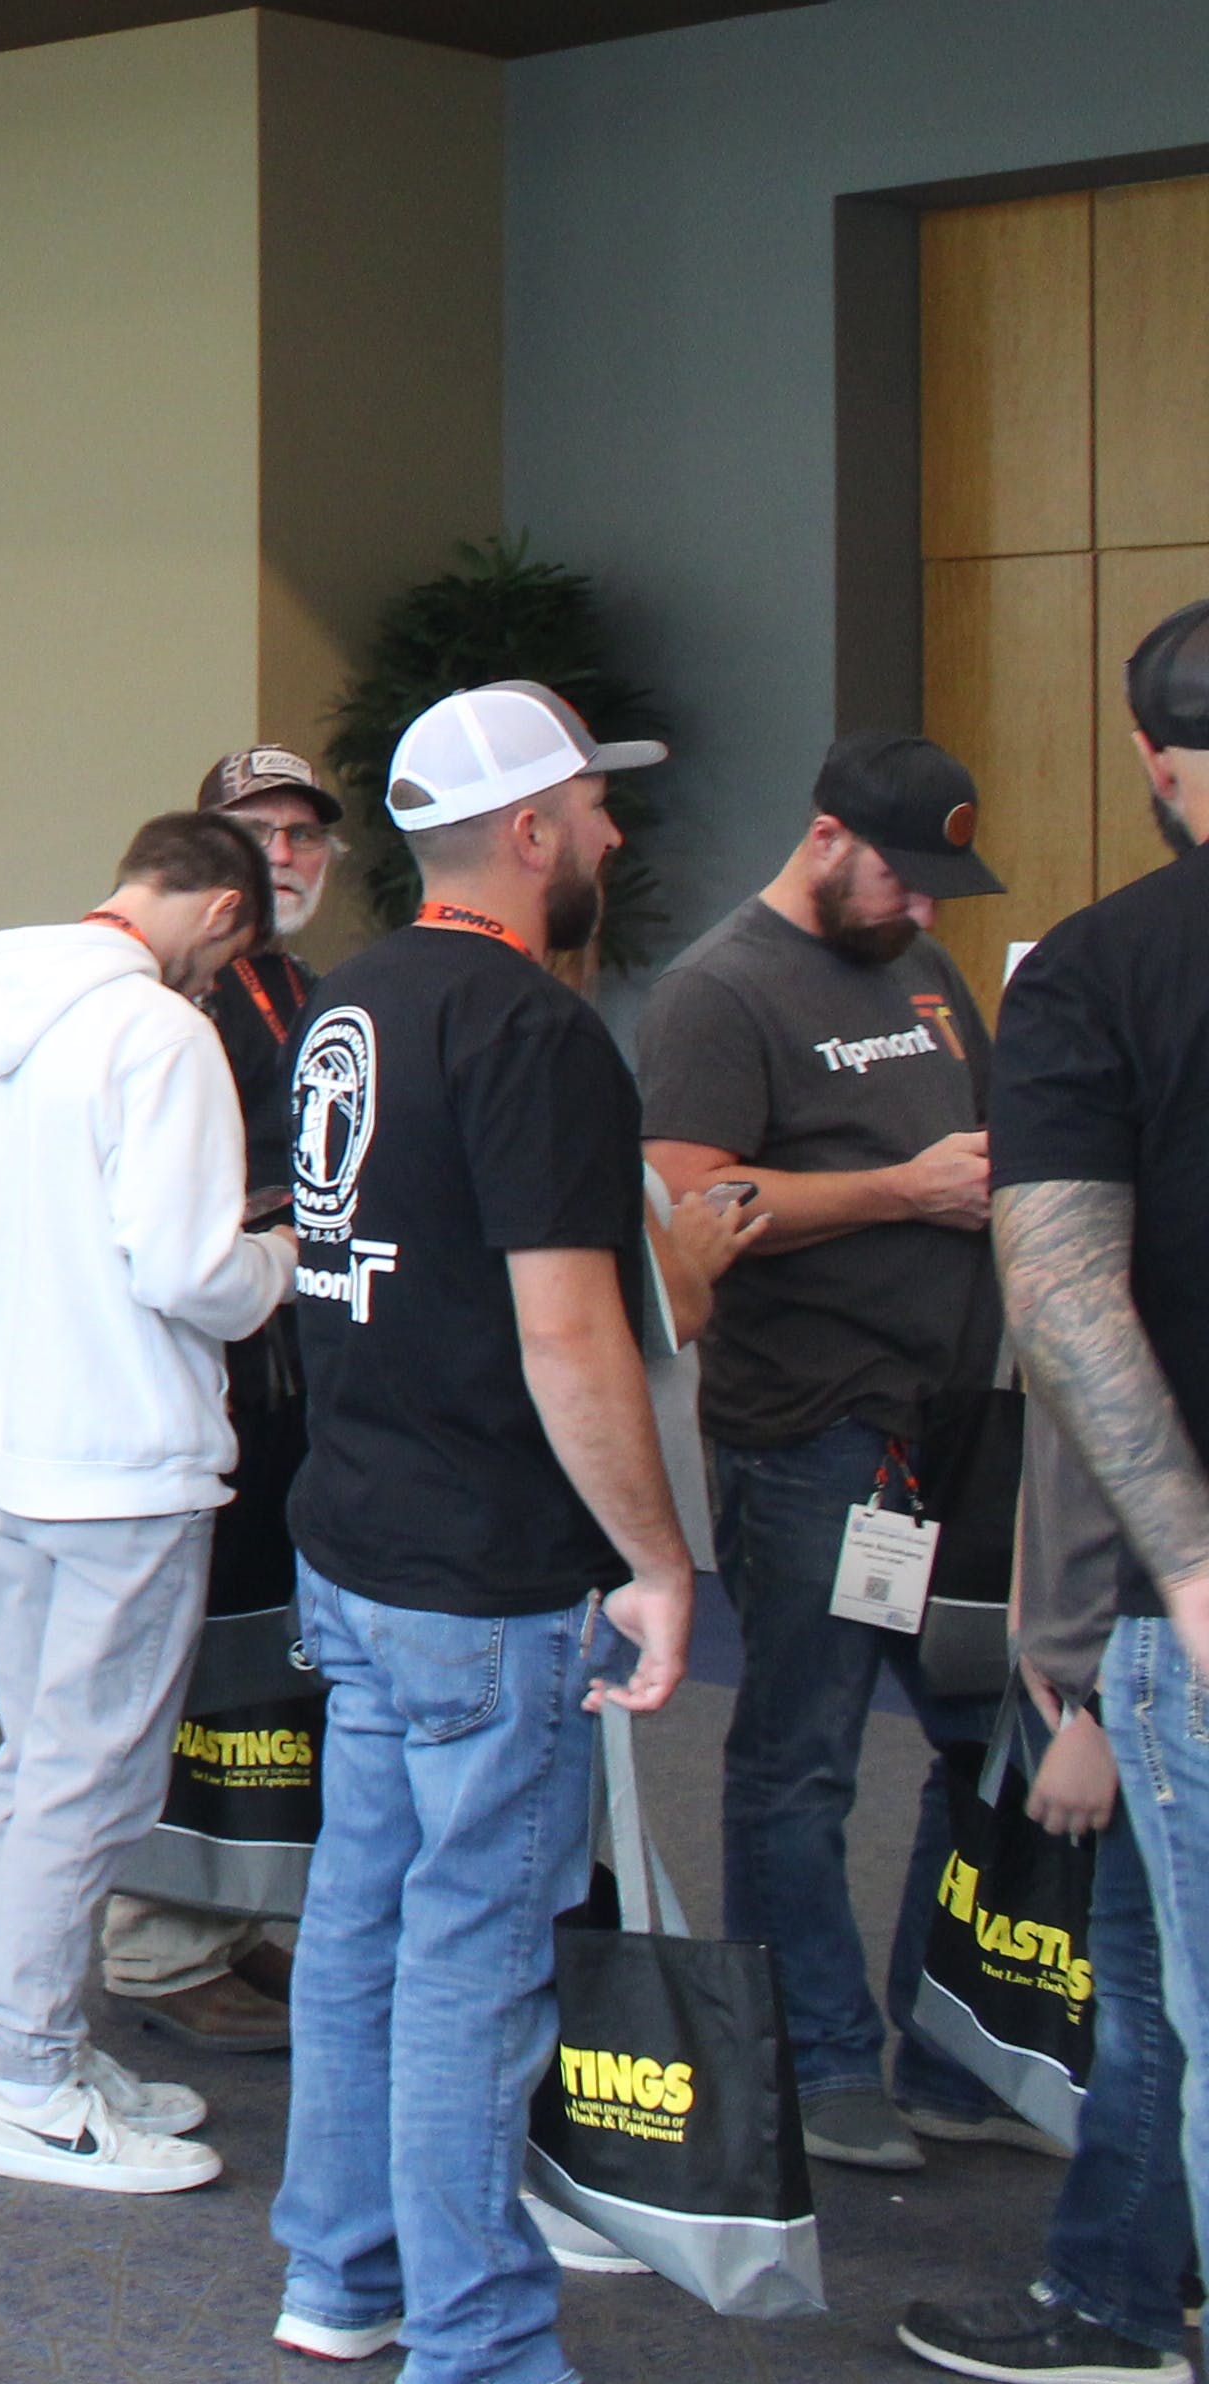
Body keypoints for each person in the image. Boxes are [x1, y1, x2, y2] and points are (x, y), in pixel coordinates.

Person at [272, 678, 696, 2375]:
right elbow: (566, 1331)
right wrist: (655, 1563)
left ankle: (340, 2270)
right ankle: (477, 2337)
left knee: (360, 1916)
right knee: (470, 1952)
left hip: (355, 1542)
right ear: (527, 833)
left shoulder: (342, 1005)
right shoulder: (534, 1037)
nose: (608, 831)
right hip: (478, 1573)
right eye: (591, 805)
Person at [640, 730, 1017, 2175]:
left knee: (984, 1735)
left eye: (940, 892)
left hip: (947, 1420)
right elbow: (692, 1207)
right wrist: (901, 1194)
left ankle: (950, 2044)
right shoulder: (722, 990)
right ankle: (818, 2056)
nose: (924, 912)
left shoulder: (921, 974)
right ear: (826, 839)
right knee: (801, 1758)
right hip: (812, 1428)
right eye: (904, 880)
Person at [0, 809, 289, 2194]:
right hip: (127, 1452)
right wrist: (281, 1262)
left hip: (17, 1440)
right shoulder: (158, 1032)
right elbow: (188, 1269)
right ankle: (24, 2081)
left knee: (40, 1767)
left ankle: (44, 2045)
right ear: (221, 916)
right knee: (89, 1779)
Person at [992, 602, 1209, 2353]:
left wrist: (1181, 1580)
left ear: (1147, 762)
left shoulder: (1096, 964)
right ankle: (1114, 2283)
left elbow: (1062, 1301)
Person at [103, 743, 348, 2056]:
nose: (289, 855)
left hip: (297, 1379)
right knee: (195, 1654)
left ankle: (232, 1916)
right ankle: (152, 1936)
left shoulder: (308, 989)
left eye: (307, 835)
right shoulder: (171, 1003)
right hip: (204, 1374)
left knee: (275, 1657)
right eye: (261, 833)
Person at [894, 1392, 1202, 2384]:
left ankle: (1114, 2297)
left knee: (1152, 2006)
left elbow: (1154, 1487)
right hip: (1129, 1666)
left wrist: (1104, 1713)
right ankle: (1143, 2269)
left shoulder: (1143, 1276)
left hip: (1151, 1671)